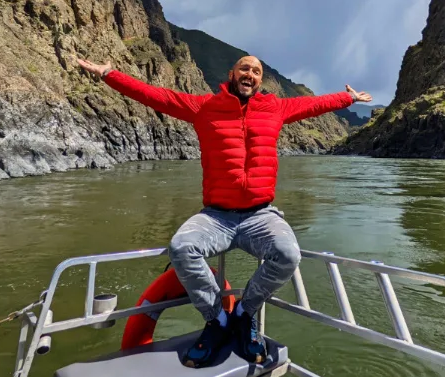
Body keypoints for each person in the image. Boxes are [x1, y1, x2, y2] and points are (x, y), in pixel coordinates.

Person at [77, 55, 372, 368]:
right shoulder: (204, 107)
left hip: (261, 214)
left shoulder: (275, 108)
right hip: (216, 216)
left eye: (256, 71)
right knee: (182, 247)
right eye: (244, 68)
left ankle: (245, 313)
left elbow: (313, 105)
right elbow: (156, 96)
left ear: (261, 80)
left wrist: (347, 98)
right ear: (232, 74)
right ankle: (217, 319)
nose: (249, 74)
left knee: (288, 254)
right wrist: (110, 74)